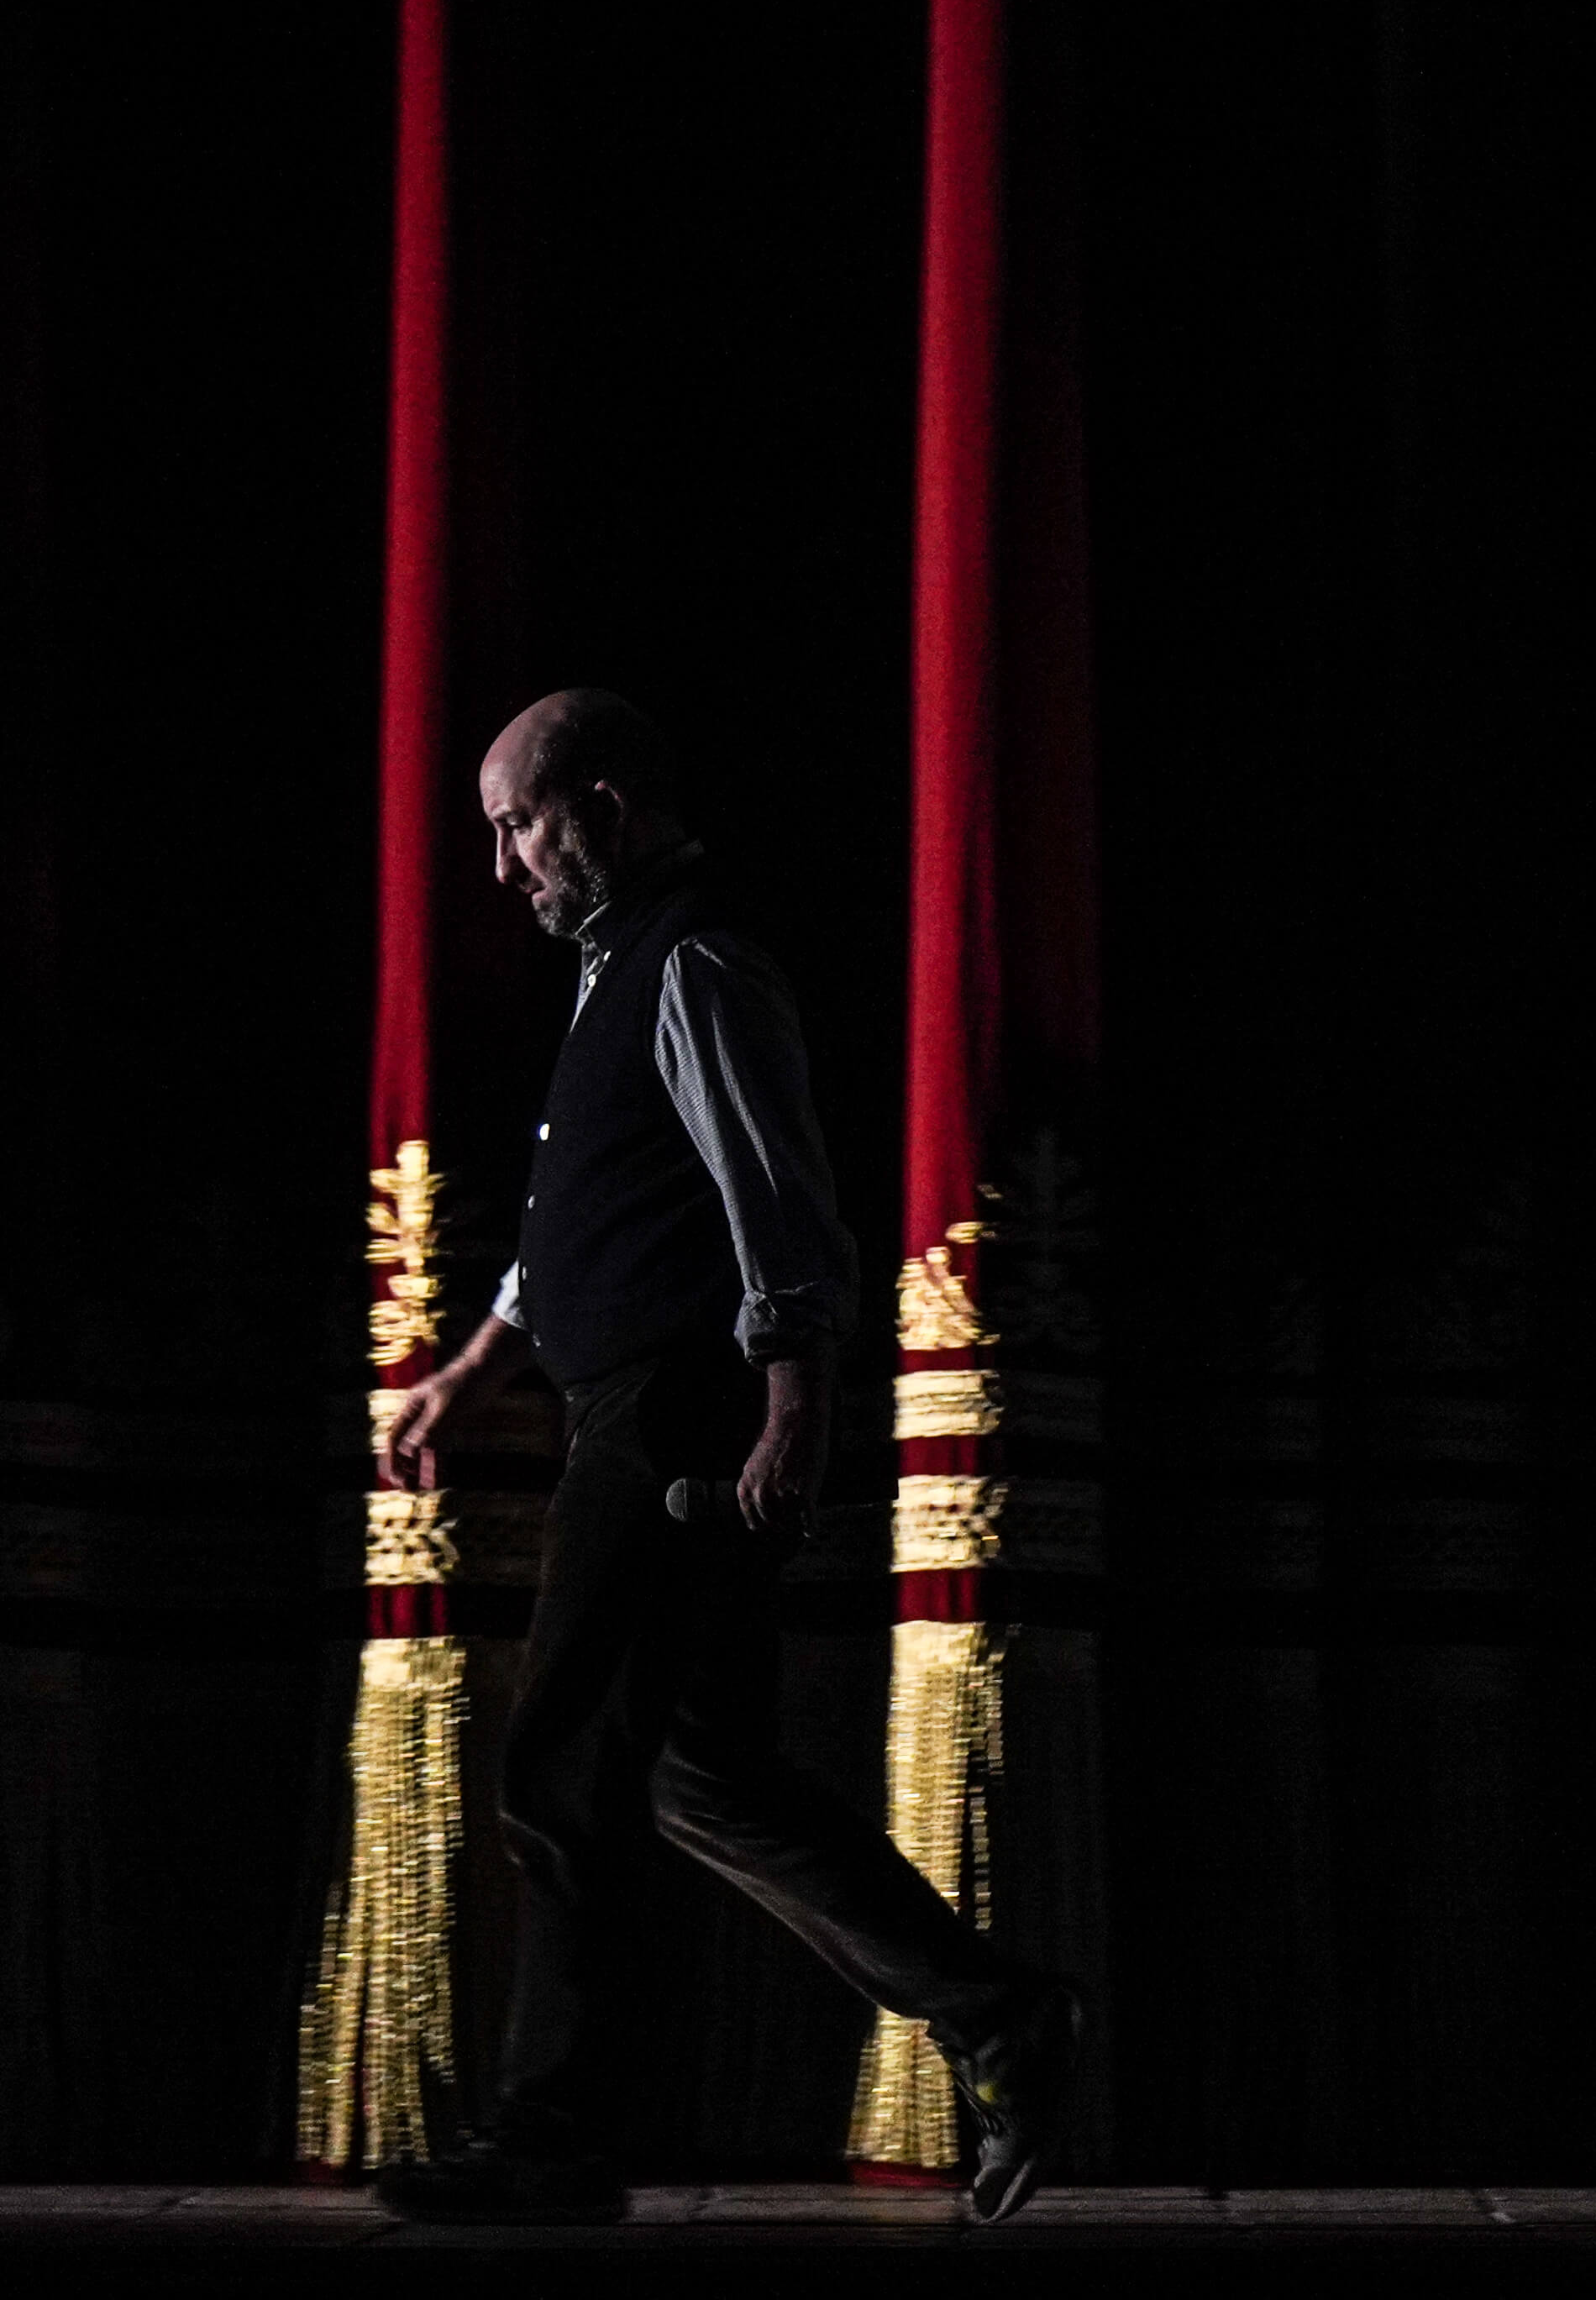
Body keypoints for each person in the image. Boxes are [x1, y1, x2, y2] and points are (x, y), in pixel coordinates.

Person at [370, 687, 1082, 2225]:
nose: (505, 868)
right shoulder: (618, 968)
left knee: (566, 1764)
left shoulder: (694, 959)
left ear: (606, 806)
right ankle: (1000, 2015)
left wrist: (795, 1402)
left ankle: (552, 2135)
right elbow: (581, 1214)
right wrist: (478, 1366)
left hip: (678, 1418)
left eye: (519, 827)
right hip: (636, 1406)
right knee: (702, 1777)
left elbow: (778, 1197)